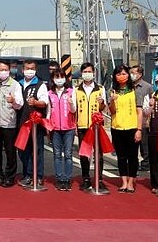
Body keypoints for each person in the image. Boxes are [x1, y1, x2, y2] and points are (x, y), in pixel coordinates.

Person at [73, 63, 107, 191]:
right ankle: (86, 178)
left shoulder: (100, 89)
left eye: (90, 71)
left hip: (97, 126)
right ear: (82, 74)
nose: (87, 73)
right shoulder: (77, 89)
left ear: (94, 73)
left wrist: (102, 103)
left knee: (99, 153)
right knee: (84, 154)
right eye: (85, 71)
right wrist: (75, 125)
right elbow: (74, 109)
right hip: (82, 126)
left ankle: (99, 178)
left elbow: (103, 108)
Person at [109, 64, 143, 193]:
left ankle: (131, 182)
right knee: (121, 156)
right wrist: (111, 100)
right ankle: (123, 182)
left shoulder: (134, 90)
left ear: (128, 75)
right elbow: (111, 111)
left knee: (133, 156)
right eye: (119, 74)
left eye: (124, 73)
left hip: (132, 128)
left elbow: (139, 111)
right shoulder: (113, 91)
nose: (121, 76)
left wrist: (139, 130)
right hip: (117, 128)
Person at [17, 59, 49, 187]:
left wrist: (35, 103)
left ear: (35, 70)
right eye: (27, 68)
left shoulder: (40, 84)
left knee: (37, 150)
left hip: (35, 124)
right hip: (21, 123)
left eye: (32, 68)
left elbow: (44, 102)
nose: (29, 71)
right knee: (22, 150)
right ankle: (27, 173)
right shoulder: (18, 84)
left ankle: (38, 175)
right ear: (22, 70)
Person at [0, 60, 24, 187]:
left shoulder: (15, 85)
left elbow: (20, 104)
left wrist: (14, 100)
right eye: (1, 70)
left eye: (5, 70)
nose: (3, 72)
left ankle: (10, 176)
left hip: (9, 123)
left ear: (9, 70)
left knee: (10, 151)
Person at [48, 68, 76, 191]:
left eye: (61, 77)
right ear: (53, 79)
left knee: (68, 154)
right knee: (57, 154)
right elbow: (49, 111)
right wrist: (48, 127)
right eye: (56, 77)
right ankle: (59, 178)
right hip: (55, 128)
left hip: (68, 127)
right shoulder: (50, 93)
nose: (59, 79)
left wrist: (71, 103)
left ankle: (67, 178)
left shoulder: (70, 91)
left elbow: (74, 110)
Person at [130, 65, 153, 172]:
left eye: (134, 73)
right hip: (130, 119)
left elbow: (151, 103)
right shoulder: (128, 86)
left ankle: (146, 164)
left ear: (140, 74)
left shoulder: (147, 87)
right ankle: (133, 164)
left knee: (144, 144)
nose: (132, 75)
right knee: (132, 145)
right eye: (131, 73)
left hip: (143, 120)